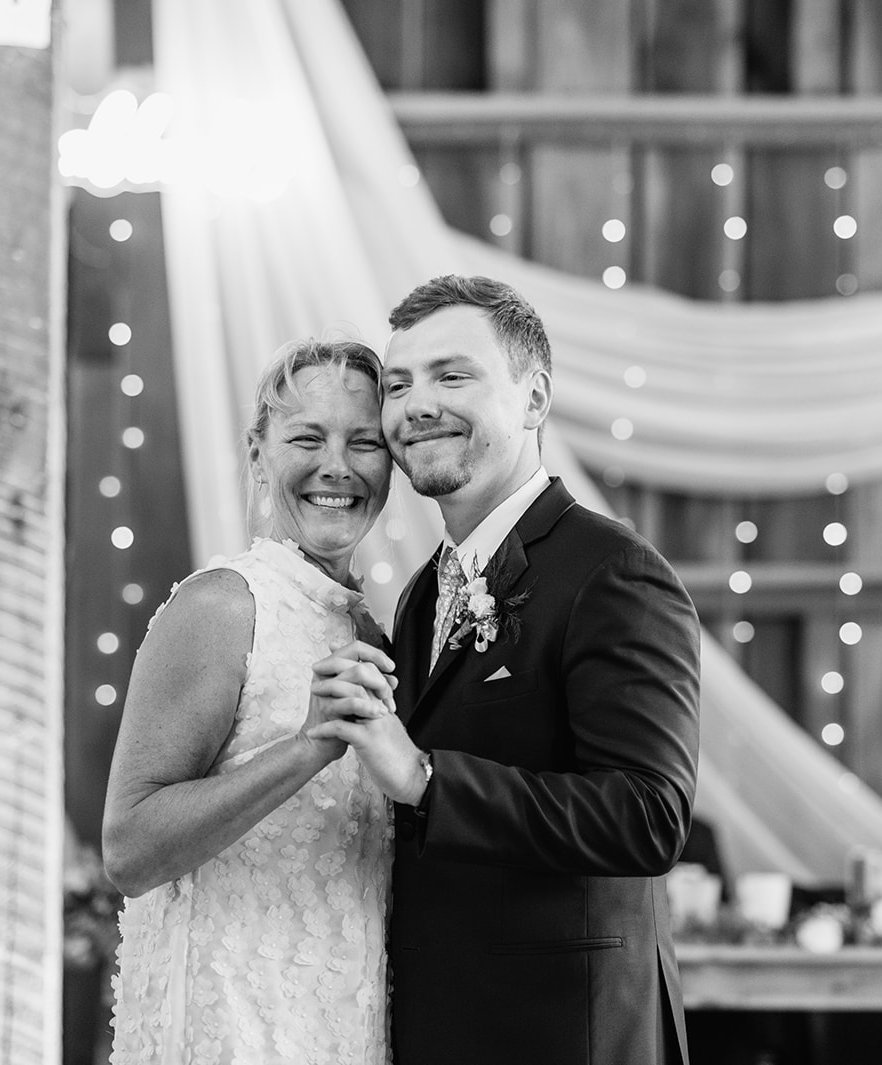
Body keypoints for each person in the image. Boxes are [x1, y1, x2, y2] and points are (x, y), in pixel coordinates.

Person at [311, 275, 702, 1065]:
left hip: (564, 1034)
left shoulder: (613, 571)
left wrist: (425, 776)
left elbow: (648, 814)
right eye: (398, 384)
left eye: (452, 375)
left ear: (533, 398)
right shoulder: (425, 590)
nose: (416, 404)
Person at [102, 338, 396, 1064]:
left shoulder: (373, 629)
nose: (337, 465)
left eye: (364, 441)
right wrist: (306, 747)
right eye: (307, 438)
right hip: (227, 1028)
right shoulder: (224, 605)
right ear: (260, 455)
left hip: (340, 1030)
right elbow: (129, 848)